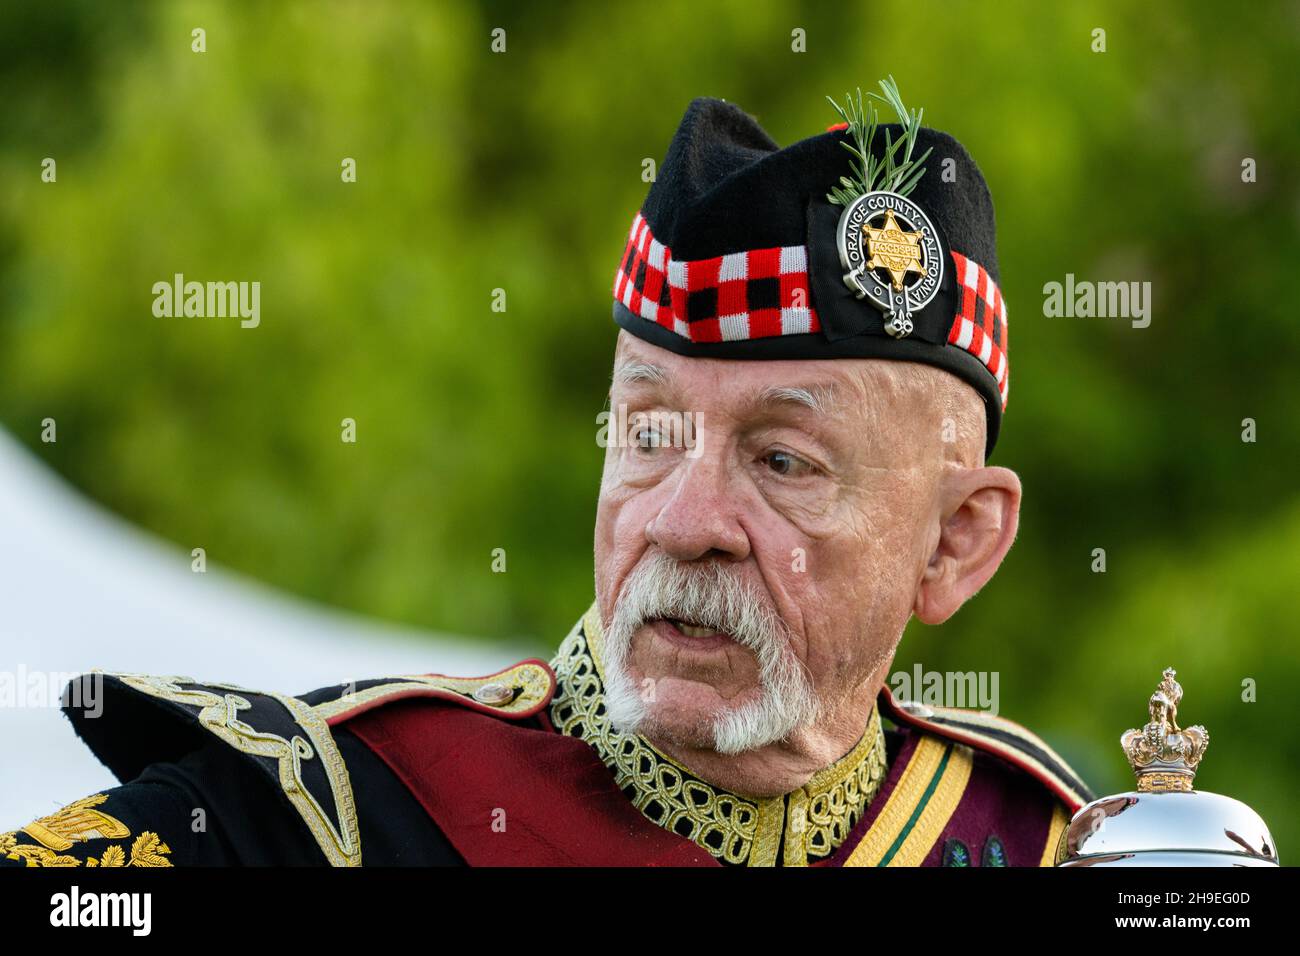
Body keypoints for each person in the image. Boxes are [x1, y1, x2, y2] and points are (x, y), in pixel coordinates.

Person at [1, 82, 1092, 868]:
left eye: (781, 459)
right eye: (651, 433)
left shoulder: (1042, 840)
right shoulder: (317, 815)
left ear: (954, 542)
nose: (682, 519)